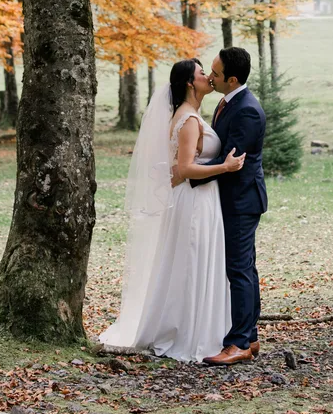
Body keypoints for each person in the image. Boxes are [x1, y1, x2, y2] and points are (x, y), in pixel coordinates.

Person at [99, 57, 246, 363]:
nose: (208, 76)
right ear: (190, 83)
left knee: (189, 261)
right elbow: (185, 168)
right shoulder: (189, 119)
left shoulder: (190, 115)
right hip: (194, 200)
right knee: (191, 260)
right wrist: (226, 166)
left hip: (198, 198)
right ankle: (188, 333)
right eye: (202, 73)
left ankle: (195, 326)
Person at [187, 46, 268, 367]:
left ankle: (238, 343)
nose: (209, 76)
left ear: (232, 79)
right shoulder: (227, 102)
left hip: (241, 200)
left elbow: (230, 160)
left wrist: (188, 174)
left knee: (239, 270)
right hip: (231, 198)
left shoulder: (247, 110)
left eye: (216, 74)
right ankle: (250, 336)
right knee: (245, 267)